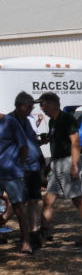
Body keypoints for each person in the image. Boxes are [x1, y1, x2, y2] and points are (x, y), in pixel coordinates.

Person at [38, 91, 82, 245]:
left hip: (68, 162)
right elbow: (55, 139)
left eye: (43, 104)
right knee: (48, 199)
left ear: (52, 103)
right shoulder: (52, 122)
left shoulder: (66, 119)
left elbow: (75, 142)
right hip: (57, 164)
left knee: (77, 199)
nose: (41, 108)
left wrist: (74, 166)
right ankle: (44, 233)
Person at [11, 92, 45, 248]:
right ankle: (24, 236)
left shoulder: (27, 121)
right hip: (20, 168)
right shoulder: (10, 121)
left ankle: (34, 232)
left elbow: (31, 142)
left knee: (34, 200)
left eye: (32, 107)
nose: (31, 110)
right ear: (20, 105)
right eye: (29, 107)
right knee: (20, 203)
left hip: (34, 166)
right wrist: (21, 165)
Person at [0, 105, 31, 255]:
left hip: (12, 172)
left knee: (19, 207)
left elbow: (23, 145)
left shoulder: (10, 122)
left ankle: (26, 242)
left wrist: (21, 165)